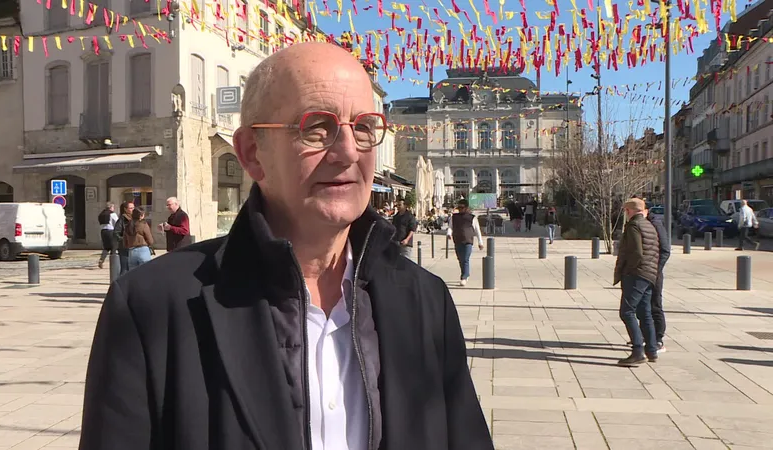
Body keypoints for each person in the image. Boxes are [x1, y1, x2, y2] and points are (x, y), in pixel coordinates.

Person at [80, 42, 492, 450]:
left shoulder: (425, 300)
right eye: (317, 127)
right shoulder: (151, 306)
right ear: (251, 153)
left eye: (364, 127)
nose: (348, 151)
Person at [614, 198, 660, 367]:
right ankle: (652, 350)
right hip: (649, 274)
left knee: (626, 312)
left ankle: (638, 351)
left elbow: (636, 253)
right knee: (645, 312)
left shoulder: (634, 226)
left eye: (626, 211)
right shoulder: (649, 225)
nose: (625, 214)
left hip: (636, 274)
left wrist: (628, 272)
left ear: (630, 211)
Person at [644, 201, 671, 353]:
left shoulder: (655, 224)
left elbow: (666, 250)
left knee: (655, 304)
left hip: (654, 272)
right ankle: (646, 336)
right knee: (642, 306)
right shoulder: (639, 224)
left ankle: (659, 339)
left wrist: (656, 268)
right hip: (642, 272)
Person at [446, 199, 485, 286]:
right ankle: (465, 274)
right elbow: (450, 227)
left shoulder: (472, 218)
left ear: (466, 208)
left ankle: (464, 276)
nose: (460, 209)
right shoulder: (454, 217)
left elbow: (477, 230)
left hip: (468, 241)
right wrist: (449, 234)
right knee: (460, 259)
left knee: (465, 259)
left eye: (462, 207)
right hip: (457, 240)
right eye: (458, 208)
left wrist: (480, 242)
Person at [111, 201, 134, 275]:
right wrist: (124, 240)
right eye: (130, 208)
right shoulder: (122, 219)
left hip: (133, 247)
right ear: (125, 209)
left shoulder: (134, 218)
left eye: (133, 208)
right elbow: (116, 233)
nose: (133, 209)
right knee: (125, 268)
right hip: (124, 247)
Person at [96, 202, 119, 269]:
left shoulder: (101, 214)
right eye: (113, 207)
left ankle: (101, 260)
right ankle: (113, 262)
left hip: (103, 231)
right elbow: (117, 222)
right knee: (114, 246)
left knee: (106, 247)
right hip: (110, 231)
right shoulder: (112, 214)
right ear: (111, 207)